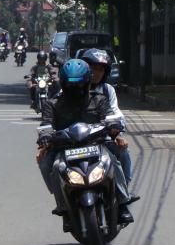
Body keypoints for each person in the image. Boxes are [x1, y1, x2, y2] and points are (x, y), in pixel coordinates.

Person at [37, 59, 136, 229]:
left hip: (97, 143)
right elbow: (45, 125)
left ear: (87, 83)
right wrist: (45, 139)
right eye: (70, 86)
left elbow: (111, 118)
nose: (75, 90)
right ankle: (64, 208)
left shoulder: (99, 99)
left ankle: (122, 203)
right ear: (63, 84)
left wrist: (115, 130)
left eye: (79, 85)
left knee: (115, 160)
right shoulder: (52, 104)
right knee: (49, 165)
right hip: (65, 147)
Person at [80, 48, 134, 184]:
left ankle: (125, 190)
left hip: (101, 138)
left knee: (122, 151)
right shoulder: (72, 87)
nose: (96, 73)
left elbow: (115, 112)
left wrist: (118, 132)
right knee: (55, 163)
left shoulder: (107, 90)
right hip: (76, 140)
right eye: (92, 69)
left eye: (100, 70)